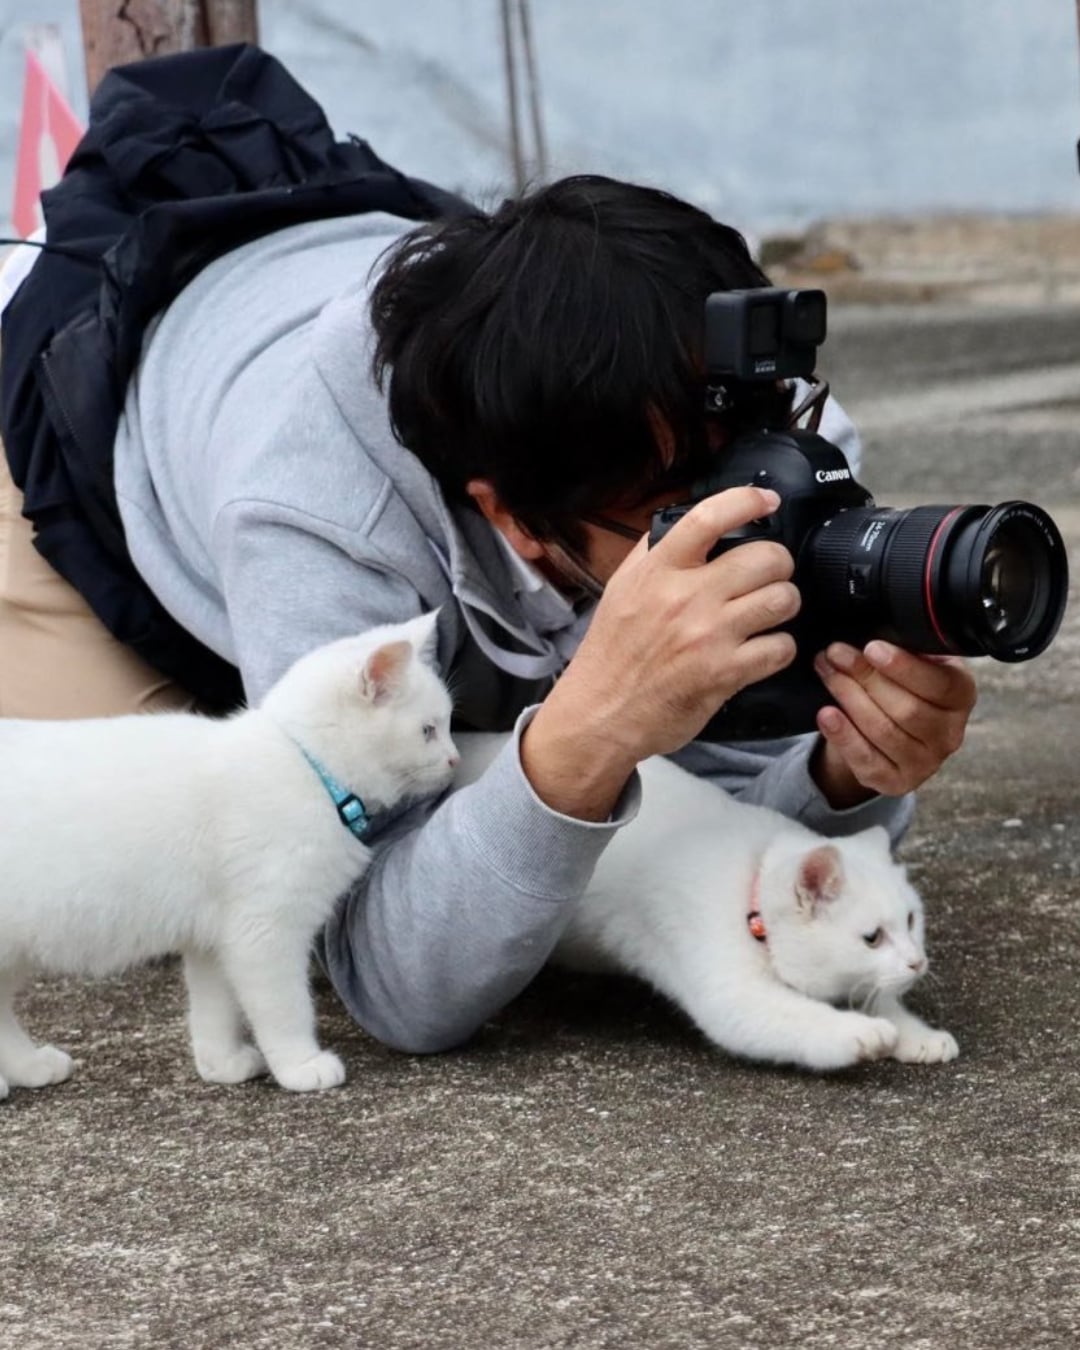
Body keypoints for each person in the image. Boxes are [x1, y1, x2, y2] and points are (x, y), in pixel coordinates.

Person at [0, 175, 977, 1052]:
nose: (741, 526)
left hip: (396, 298)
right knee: (146, 836)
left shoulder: (766, 442)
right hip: (104, 453)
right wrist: (590, 732)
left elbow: (727, 834)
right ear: (513, 518)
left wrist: (843, 771)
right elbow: (392, 979)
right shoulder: (313, 513)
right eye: (676, 518)